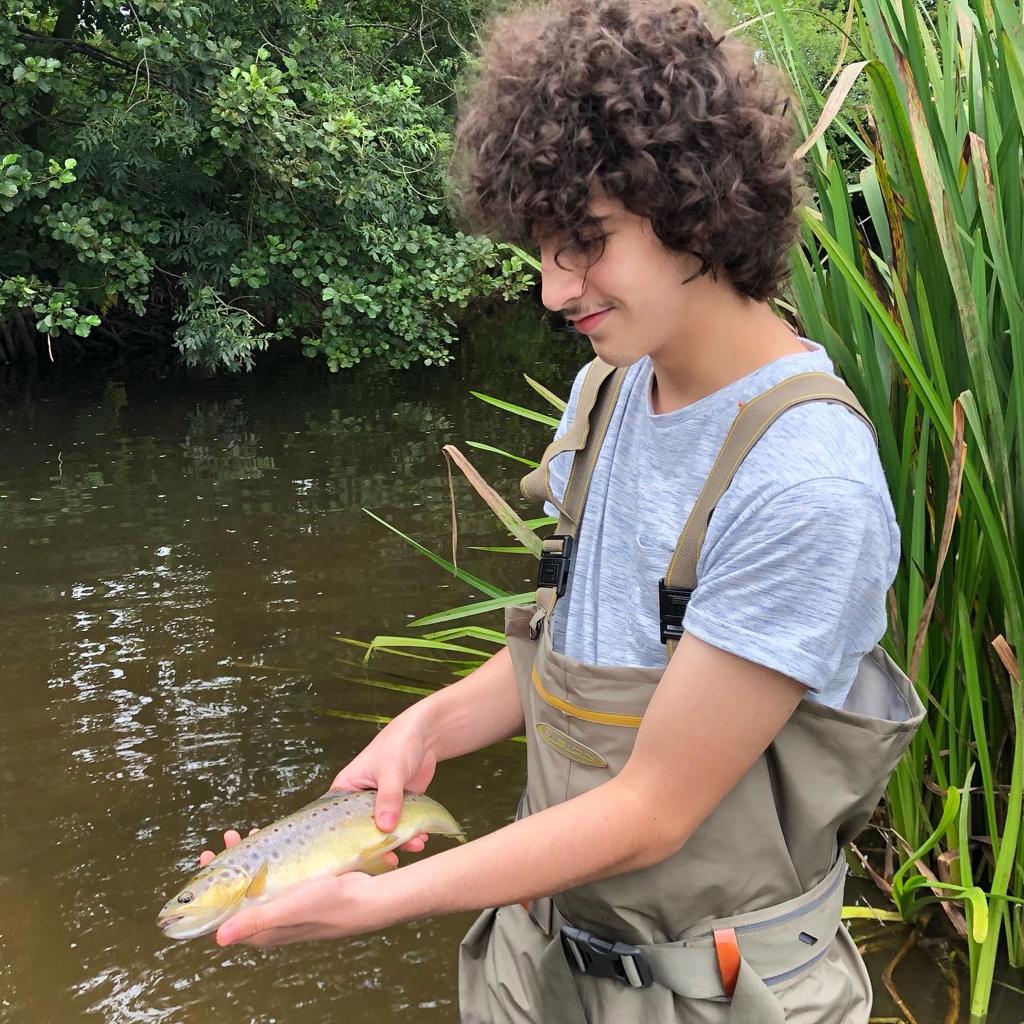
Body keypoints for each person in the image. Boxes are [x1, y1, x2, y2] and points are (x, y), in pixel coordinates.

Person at [201, 1, 924, 1021]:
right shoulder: (607, 389)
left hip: (715, 991)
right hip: (535, 961)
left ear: (699, 205)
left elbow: (653, 809)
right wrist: (426, 726)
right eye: (542, 248)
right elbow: (574, 647)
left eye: (585, 243)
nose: (553, 291)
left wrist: (380, 900)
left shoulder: (805, 483)